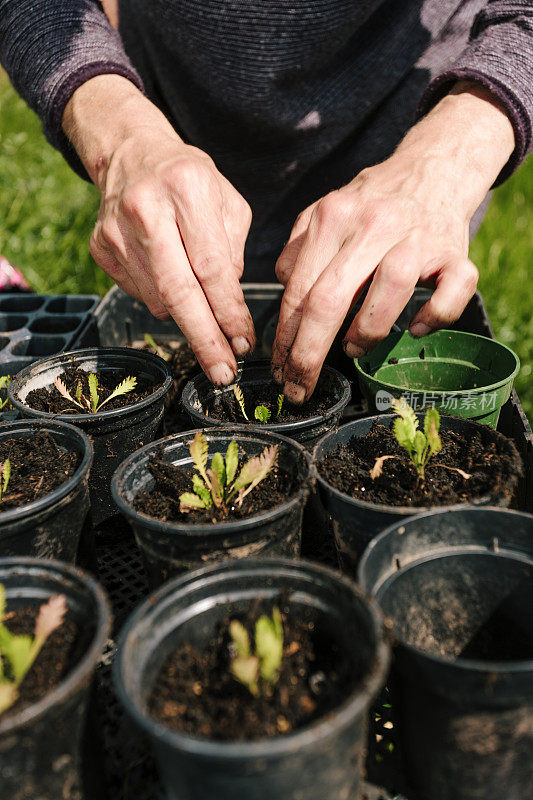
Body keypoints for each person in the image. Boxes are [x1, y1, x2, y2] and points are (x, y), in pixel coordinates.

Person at [1, 1, 531, 403]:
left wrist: (448, 162)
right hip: (168, 117)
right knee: (200, 311)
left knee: (375, 333)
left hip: (409, 127)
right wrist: (117, 137)